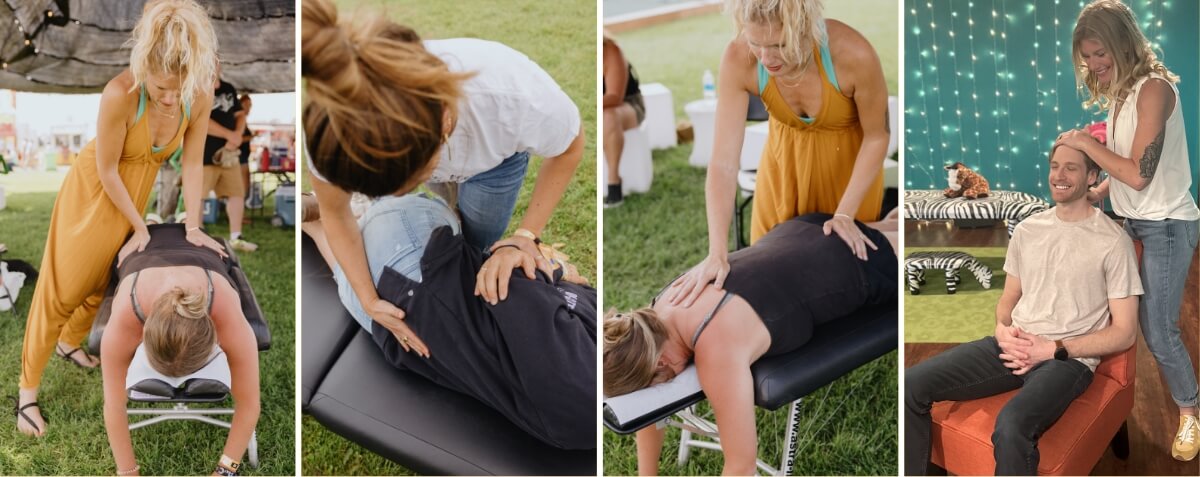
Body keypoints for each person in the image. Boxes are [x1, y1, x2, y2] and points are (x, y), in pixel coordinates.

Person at [301, 0, 585, 351]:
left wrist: (526, 235)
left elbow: (570, 147)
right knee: (402, 228)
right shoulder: (329, 133)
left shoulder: (514, 96)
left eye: (413, 179)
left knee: (474, 245)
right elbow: (335, 212)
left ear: (445, 123)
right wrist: (368, 300)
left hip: (494, 165)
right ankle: (360, 207)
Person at [14, 0, 225, 438]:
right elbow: (109, 170)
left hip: (134, 193)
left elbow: (191, 163)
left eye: (177, 87)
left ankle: (70, 344)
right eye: (162, 87)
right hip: (95, 192)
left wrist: (193, 225)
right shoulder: (120, 93)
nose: (170, 97)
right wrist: (141, 227)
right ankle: (26, 394)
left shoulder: (198, 92)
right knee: (64, 286)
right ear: (143, 64)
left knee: (102, 281)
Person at [905, 145, 1143, 475]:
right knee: (910, 385)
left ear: (1092, 176)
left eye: (1071, 168)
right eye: (1055, 166)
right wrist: (1002, 328)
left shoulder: (1112, 242)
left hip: (1065, 360)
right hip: (1011, 344)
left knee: (1012, 426)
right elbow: (1008, 299)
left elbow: (1125, 331)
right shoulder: (1028, 230)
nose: (1059, 175)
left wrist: (1053, 349)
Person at [604, 209, 898, 475]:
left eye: (657, 384)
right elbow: (647, 402)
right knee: (902, 225)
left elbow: (741, 466)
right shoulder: (658, 310)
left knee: (937, 240)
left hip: (859, 262)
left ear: (660, 363)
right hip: (807, 229)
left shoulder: (716, 348)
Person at [666, 0, 891, 309]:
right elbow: (722, 162)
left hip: (847, 177)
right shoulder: (738, 56)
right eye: (756, 43)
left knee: (844, 280)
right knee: (774, 275)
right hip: (783, 174)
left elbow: (877, 137)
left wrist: (844, 213)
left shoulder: (853, 55)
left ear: (806, 28)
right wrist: (717, 252)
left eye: (779, 45)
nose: (766, 58)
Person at [1053, 0, 1200, 460]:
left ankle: (1190, 411)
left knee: (1158, 329)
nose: (1094, 65)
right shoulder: (1120, 94)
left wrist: (1083, 145)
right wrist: (1098, 195)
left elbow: (1139, 173)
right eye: (1087, 57)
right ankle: (1103, 398)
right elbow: (1126, 175)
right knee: (1108, 314)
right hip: (1133, 221)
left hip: (1168, 227)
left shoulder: (1154, 90)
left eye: (1101, 54)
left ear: (1123, 44)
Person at [100, 225, 259, 476]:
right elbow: (113, 405)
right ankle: (157, 220)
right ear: (142, 334)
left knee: (192, 227)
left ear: (214, 335)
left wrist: (226, 471)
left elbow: (250, 404)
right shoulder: (127, 316)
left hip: (200, 250)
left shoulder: (224, 309)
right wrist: (127, 472)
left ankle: (184, 220)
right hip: (141, 250)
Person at [202, 67, 256, 252]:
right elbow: (200, 120)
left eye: (216, 63)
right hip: (203, 154)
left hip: (230, 155)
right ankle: (197, 235)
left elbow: (239, 115)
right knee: (197, 197)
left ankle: (236, 237)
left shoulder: (228, 88)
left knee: (236, 194)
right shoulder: (197, 87)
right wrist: (230, 135)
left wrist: (238, 135)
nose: (213, 67)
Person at [602, 32, 645, 208]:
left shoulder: (610, 49)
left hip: (629, 106)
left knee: (609, 116)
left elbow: (614, 97)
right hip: (601, 108)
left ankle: (614, 182)